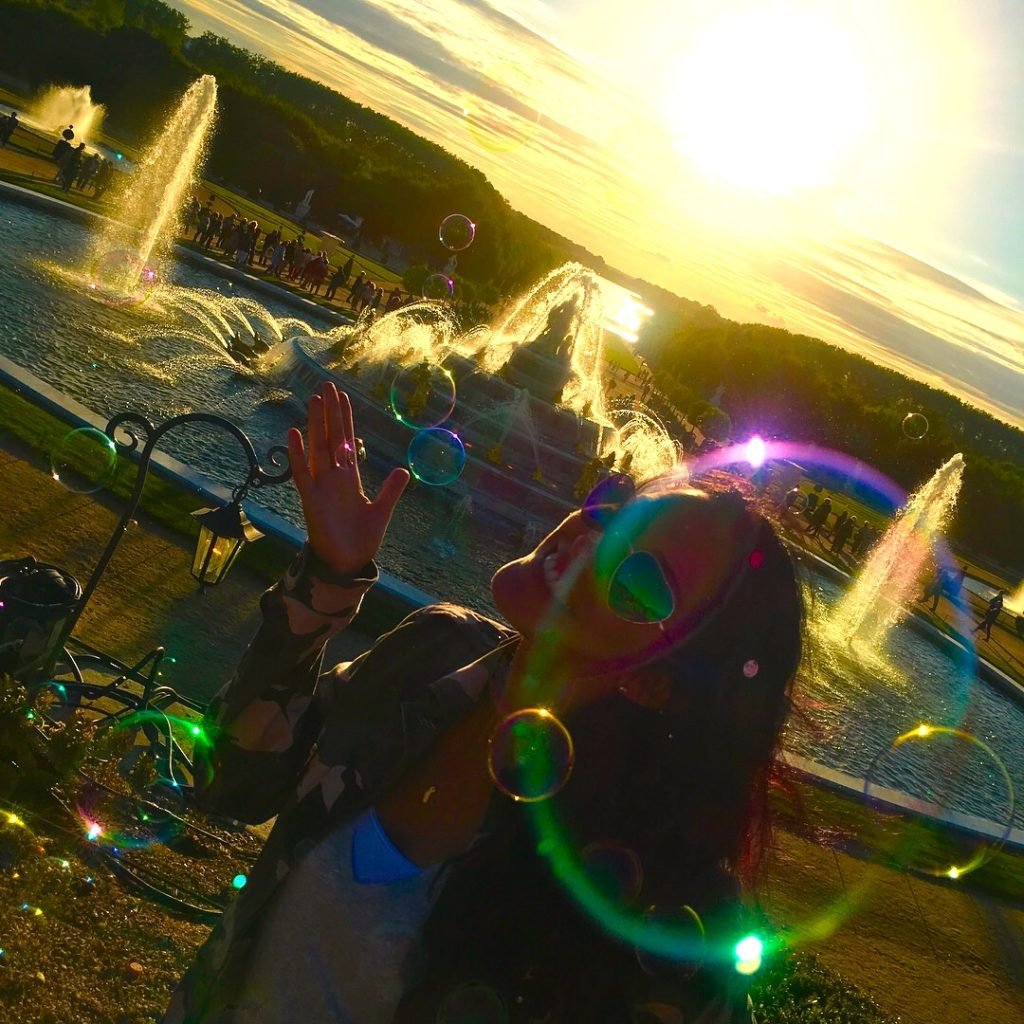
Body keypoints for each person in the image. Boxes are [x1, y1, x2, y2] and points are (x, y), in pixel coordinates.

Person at [162, 382, 803, 1023]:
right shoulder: (437, 649)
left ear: (657, 682)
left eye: (639, 580)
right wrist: (327, 578)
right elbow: (230, 784)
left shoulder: (659, 908)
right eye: (616, 510)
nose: (589, 543)